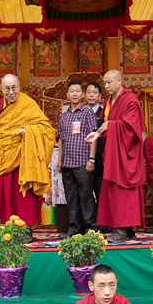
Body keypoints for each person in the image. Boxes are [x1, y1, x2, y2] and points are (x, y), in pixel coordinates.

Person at [85, 70, 146, 242]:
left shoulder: (130, 99)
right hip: (113, 152)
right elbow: (106, 126)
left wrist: (110, 125)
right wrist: (97, 134)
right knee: (113, 189)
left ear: (119, 81)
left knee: (123, 190)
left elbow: (131, 126)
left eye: (110, 82)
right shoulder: (108, 102)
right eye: (105, 83)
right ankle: (124, 228)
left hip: (125, 154)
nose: (106, 86)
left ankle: (123, 229)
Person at [0, 74, 56, 231]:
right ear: (1, 89)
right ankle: (7, 228)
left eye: (14, 87)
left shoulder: (28, 103)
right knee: (6, 193)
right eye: (7, 88)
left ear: (19, 87)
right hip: (5, 155)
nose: (11, 92)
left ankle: (26, 228)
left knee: (24, 194)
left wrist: (29, 131)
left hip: (24, 156)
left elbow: (47, 129)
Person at [57, 80, 98, 237]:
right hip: (67, 163)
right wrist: (60, 160)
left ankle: (90, 229)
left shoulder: (87, 112)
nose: (74, 94)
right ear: (67, 94)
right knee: (71, 198)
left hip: (82, 162)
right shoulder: (64, 116)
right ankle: (74, 229)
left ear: (82, 94)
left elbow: (94, 136)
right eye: (71, 91)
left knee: (86, 197)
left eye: (77, 91)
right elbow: (61, 139)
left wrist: (91, 159)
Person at [85, 81, 106, 210]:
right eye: (89, 92)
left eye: (95, 92)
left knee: (100, 192)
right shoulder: (80, 112)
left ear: (99, 96)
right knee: (85, 194)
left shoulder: (105, 114)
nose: (91, 95)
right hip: (82, 159)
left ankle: (99, 225)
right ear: (84, 95)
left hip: (99, 159)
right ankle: (87, 223)